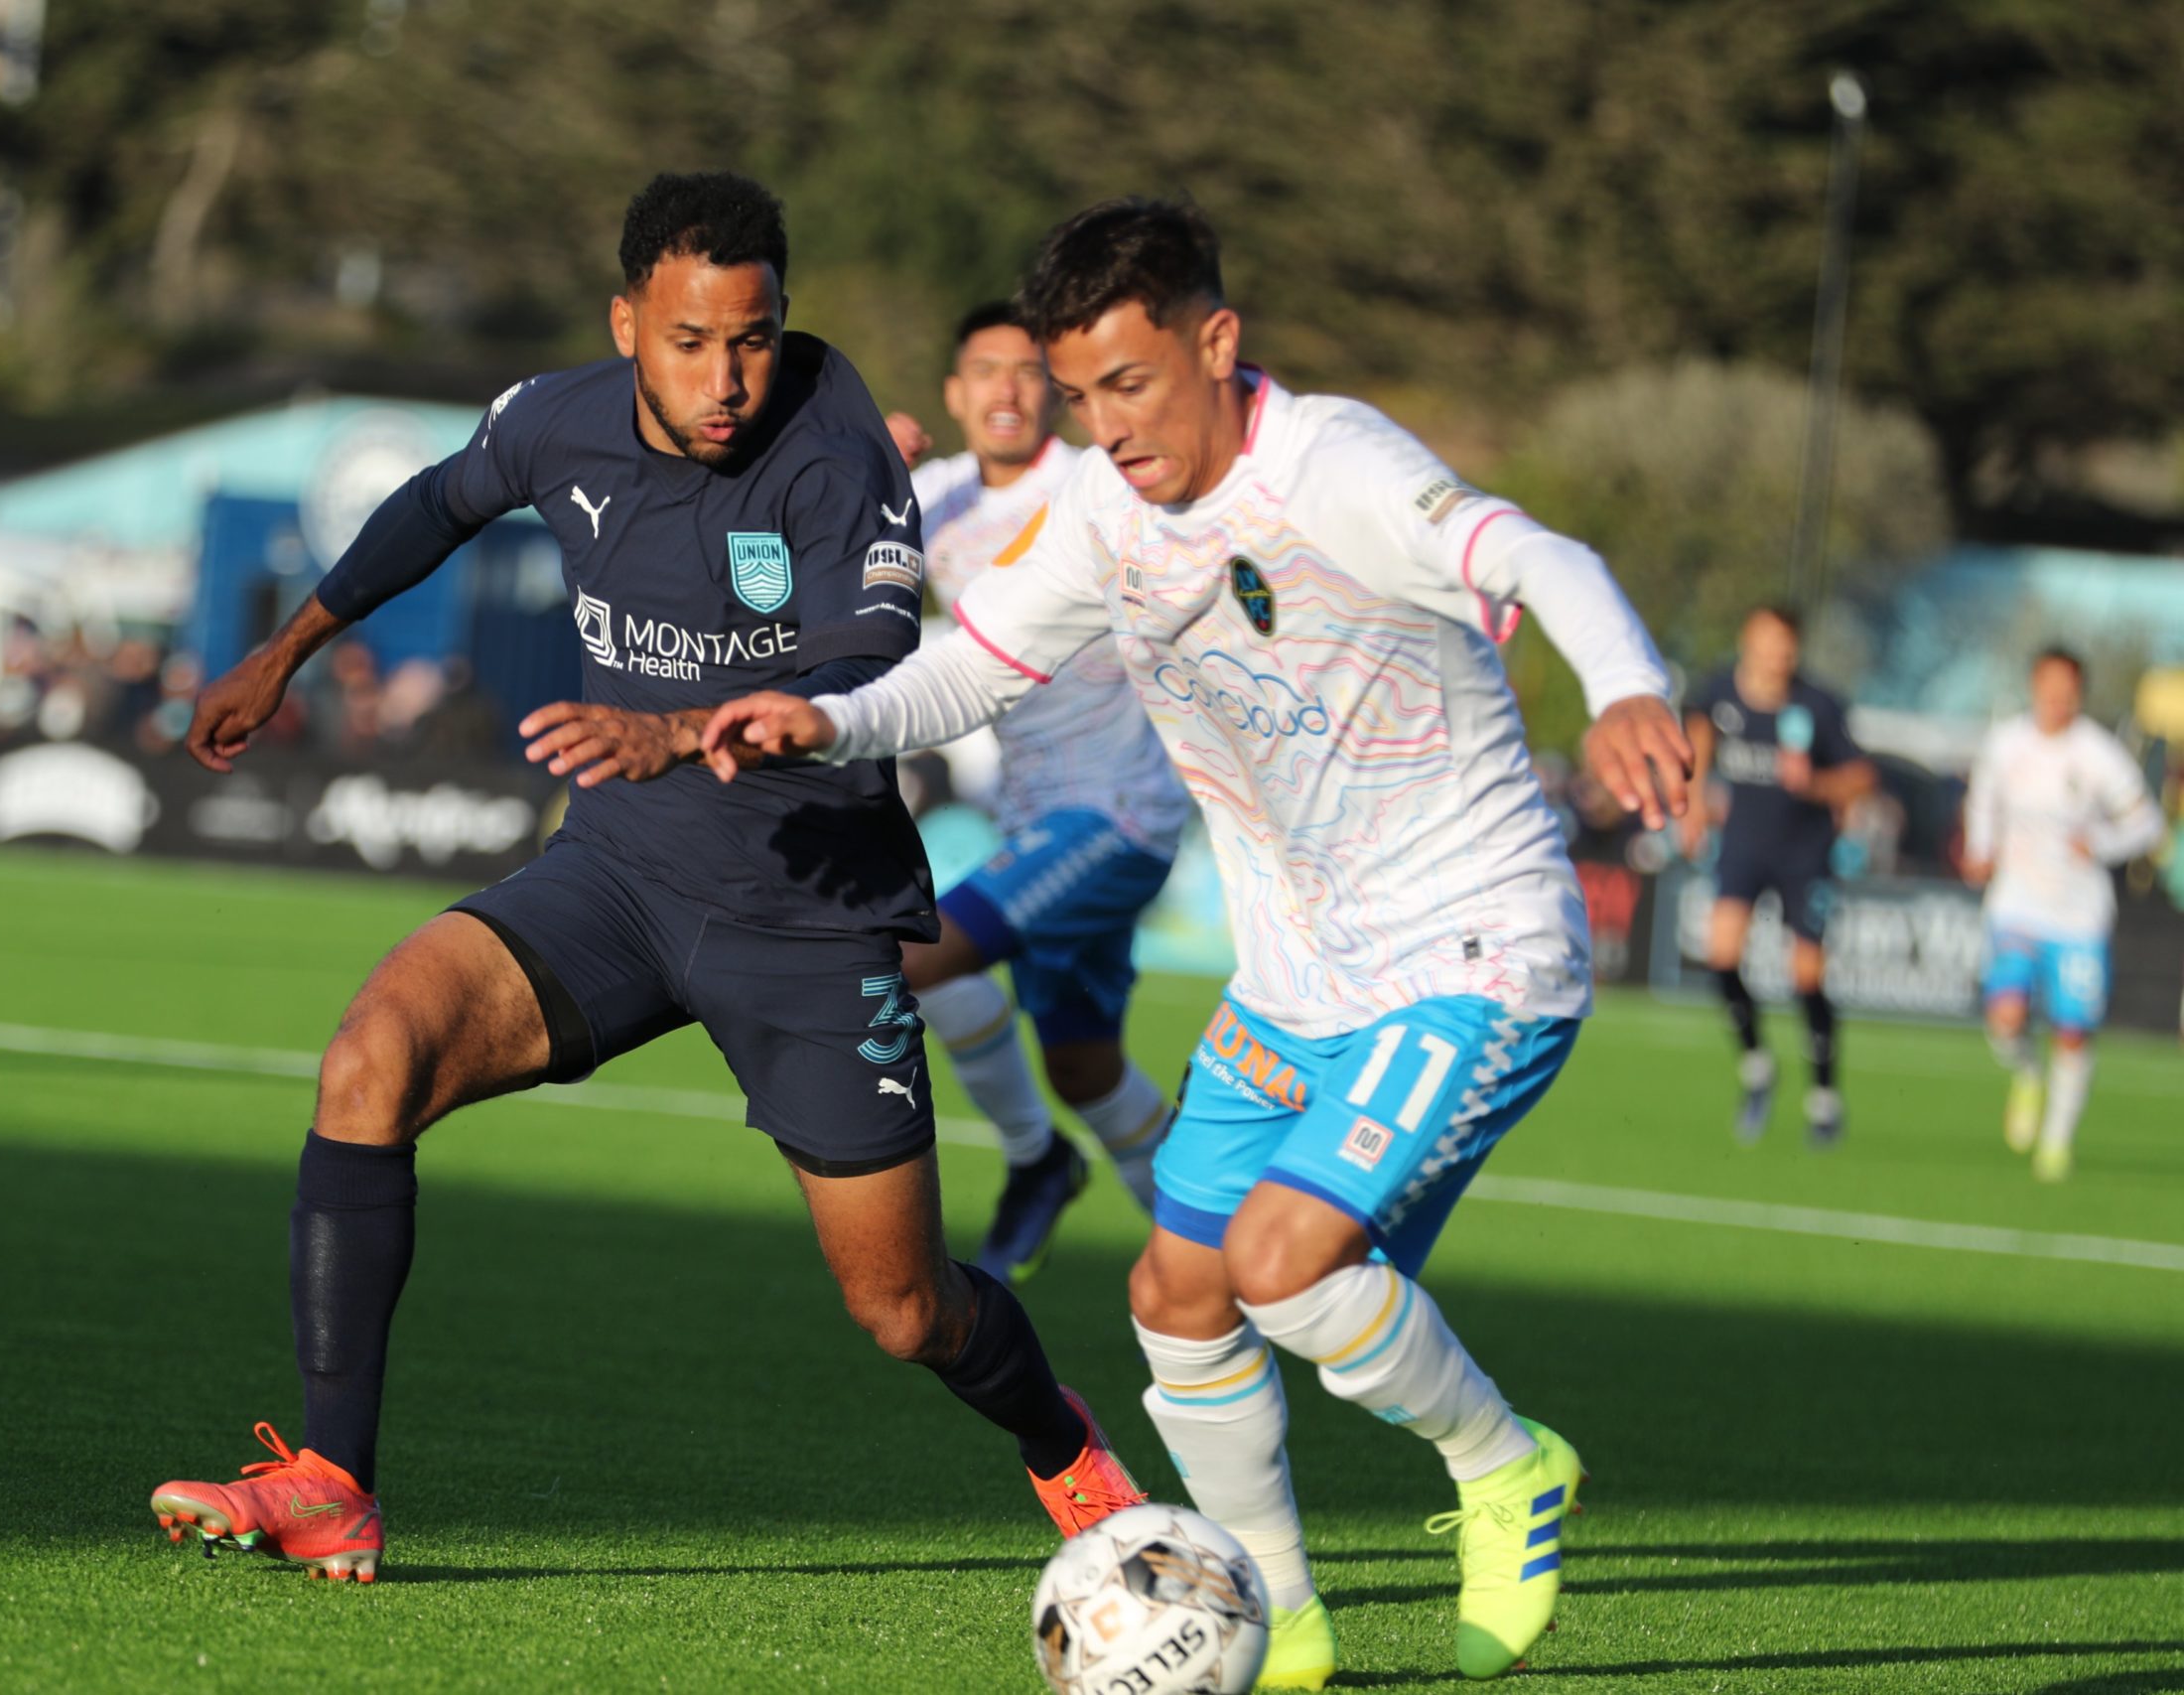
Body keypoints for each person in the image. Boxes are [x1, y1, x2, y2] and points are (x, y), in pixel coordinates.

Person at [696, 200, 1692, 1684]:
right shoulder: (1104, 509)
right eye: (1083, 396)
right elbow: (972, 666)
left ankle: (1506, 1463)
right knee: (1175, 1289)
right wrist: (830, 718)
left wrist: (1623, 685)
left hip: (1473, 950)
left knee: (1283, 1260)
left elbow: (1537, 552)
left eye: (1134, 384)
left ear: (1216, 342)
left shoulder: (1336, 468)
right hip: (1295, 982)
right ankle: (1277, 1618)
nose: (1109, 426)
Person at [148, 173, 1142, 1584]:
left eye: (754, 336)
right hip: (618, 875)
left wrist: (677, 726)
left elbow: (866, 668)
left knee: (906, 1311)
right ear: (628, 324)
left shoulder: (835, 445)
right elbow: (435, 503)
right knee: (371, 1057)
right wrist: (287, 647)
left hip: (808, 914)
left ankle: (1066, 1447)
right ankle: (334, 1480)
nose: (728, 377)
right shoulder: (554, 417)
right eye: (691, 341)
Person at [886, 302, 1191, 1285]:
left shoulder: (1097, 483)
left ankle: (1032, 1157)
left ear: (1054, 393)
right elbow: (796, 534)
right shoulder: (929, 501)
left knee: (912, 955)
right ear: (954, 393)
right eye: (985, 371)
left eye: (1027, 373)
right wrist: (858, 466)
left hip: (1119, 813)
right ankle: (1219, 1260)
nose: (1006, 392)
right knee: (1085, 1067)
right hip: (1035, 822)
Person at [1962, 648, 2163, 1183]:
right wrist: (1980, 849)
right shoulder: (2006, 743)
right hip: (2017, 904)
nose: (2057, 697)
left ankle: (2056, 1142)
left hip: (2079, 915)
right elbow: (1984, 803)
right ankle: (2028, 1072)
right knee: (2005, 1017)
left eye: (2067, 687)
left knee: (2073, 1032)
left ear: (2080, 692)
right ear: (2033, 686)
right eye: (2048, 685)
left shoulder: (2098, 753)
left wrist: (2100, 841)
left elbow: (2146, 824)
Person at [1680, 605, 1876, 1146]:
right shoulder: (1720, 691)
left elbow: (1862, 777)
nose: (1777, 654)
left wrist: (1813, 784)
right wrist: (1693, 804)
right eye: (1767, 642)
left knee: (1807, 978)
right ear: (1748, 641)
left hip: (1804, 854)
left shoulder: (1818, 705)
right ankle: (1757, 1065)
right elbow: (1697, 734)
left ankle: (1823, 1097)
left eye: (1786, 644)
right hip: (1743, 846)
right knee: (1720, 954)